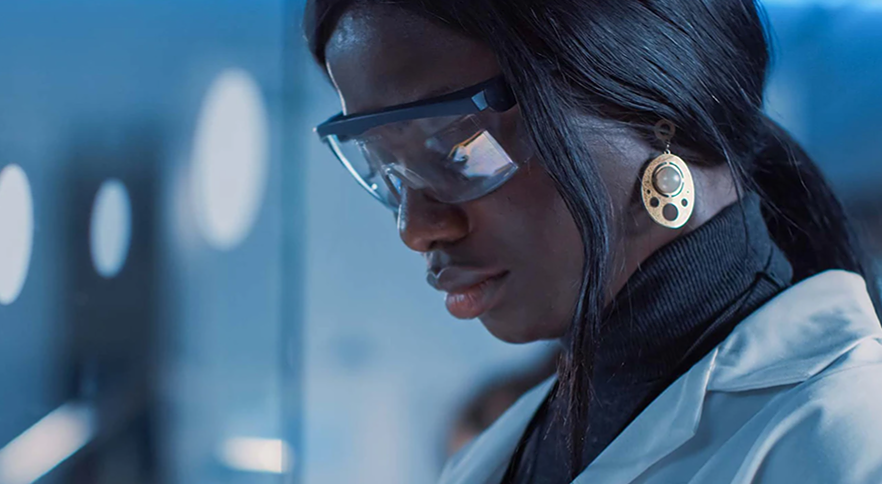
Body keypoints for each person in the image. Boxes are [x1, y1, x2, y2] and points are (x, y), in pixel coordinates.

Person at [303, 0, 882, 482]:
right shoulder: (487, 461)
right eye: (387, 170)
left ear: (657, 105)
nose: (416, 227)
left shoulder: (848, 438)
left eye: (463, 148)